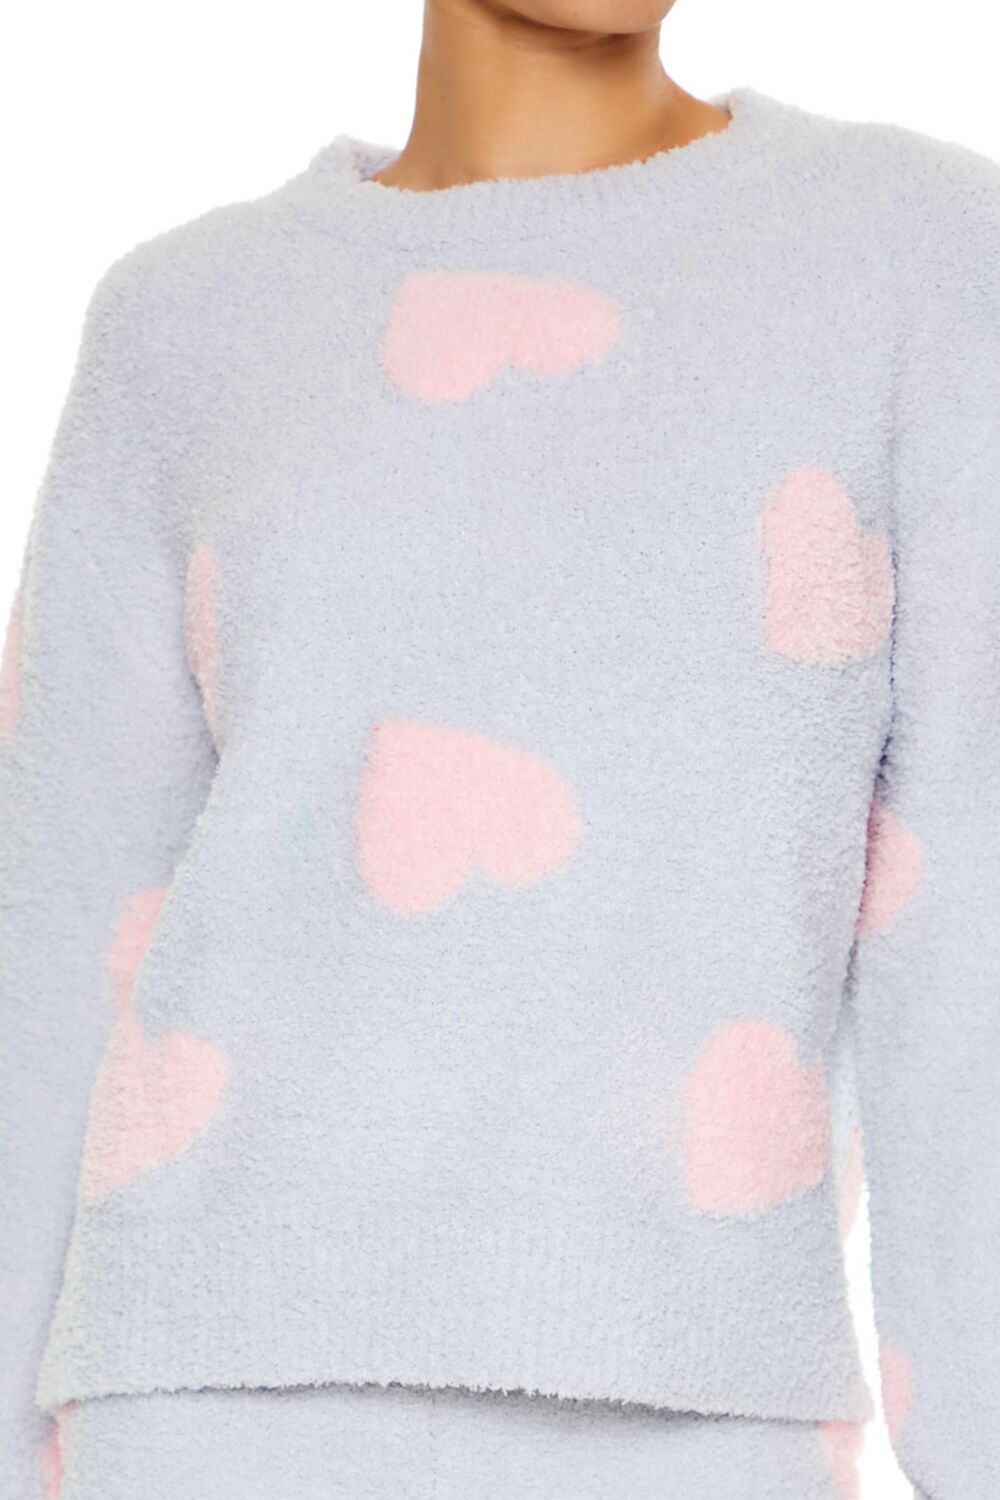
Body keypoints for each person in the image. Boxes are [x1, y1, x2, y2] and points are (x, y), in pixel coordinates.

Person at [2, 1, 998, 1496]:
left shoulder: (919, 255)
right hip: (195, 1393)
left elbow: (971, 923)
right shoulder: (180, 323)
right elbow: (57, 934)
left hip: (696, 1402)